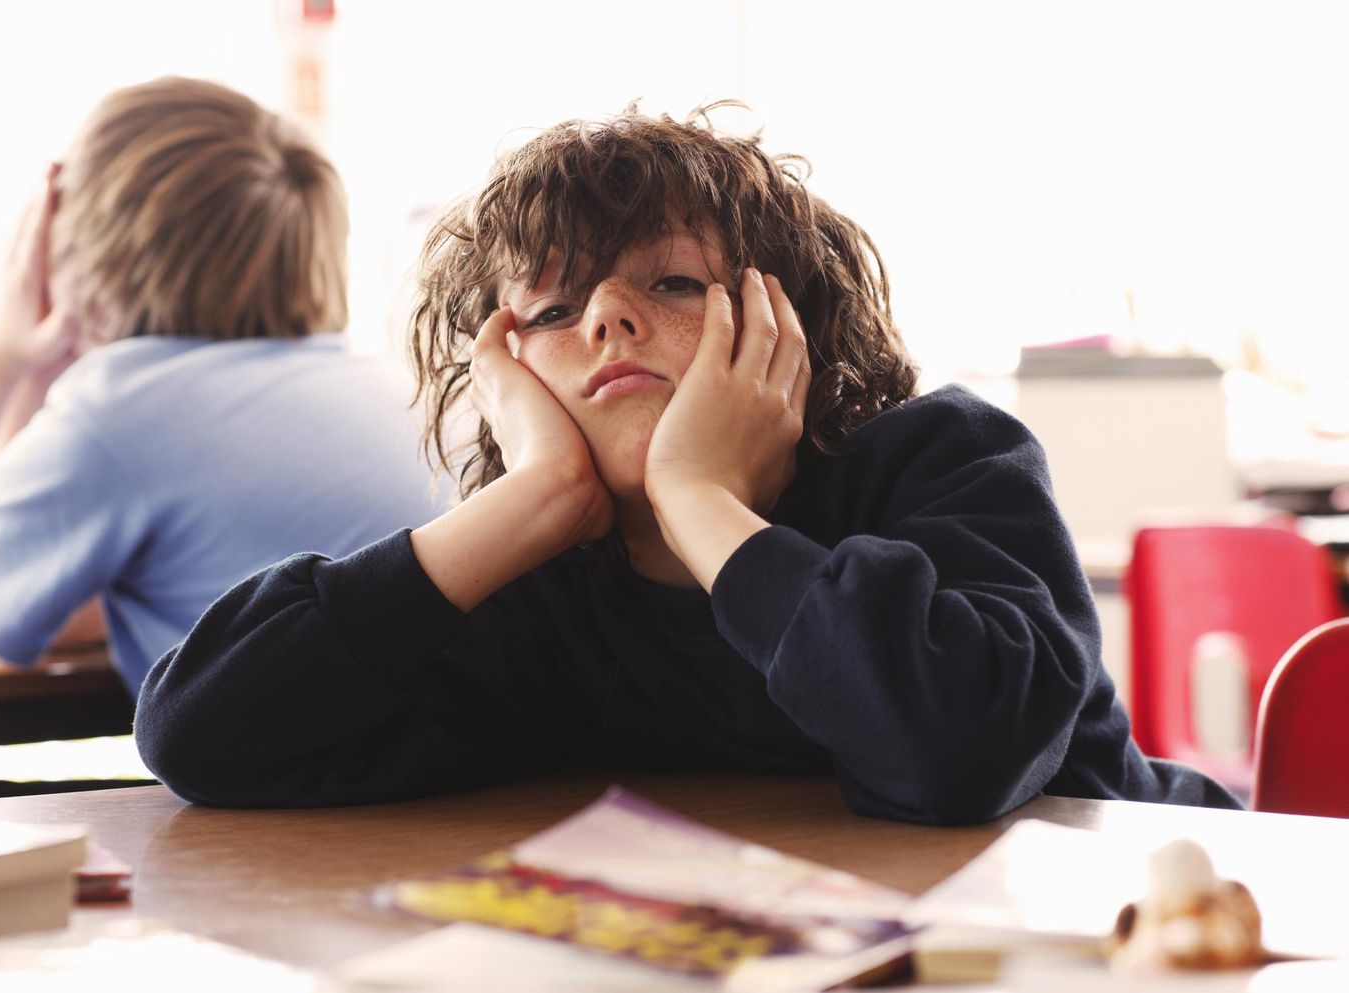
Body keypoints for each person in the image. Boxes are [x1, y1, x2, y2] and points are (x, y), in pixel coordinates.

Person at [133, 105, 1240, 823]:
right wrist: (532, 499)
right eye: (554, 310)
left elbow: (956, 756)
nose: (607, 319)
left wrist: (700, 501)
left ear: (782, 324)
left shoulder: (942, 464)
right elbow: (201, 734)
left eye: (666, 284)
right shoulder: (542, 586)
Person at [0, 77, 438, 696]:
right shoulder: (386, 385)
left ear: (69, 249)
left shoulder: (124, 415)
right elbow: (18, 600)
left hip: (329, 785)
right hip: (480, 773)